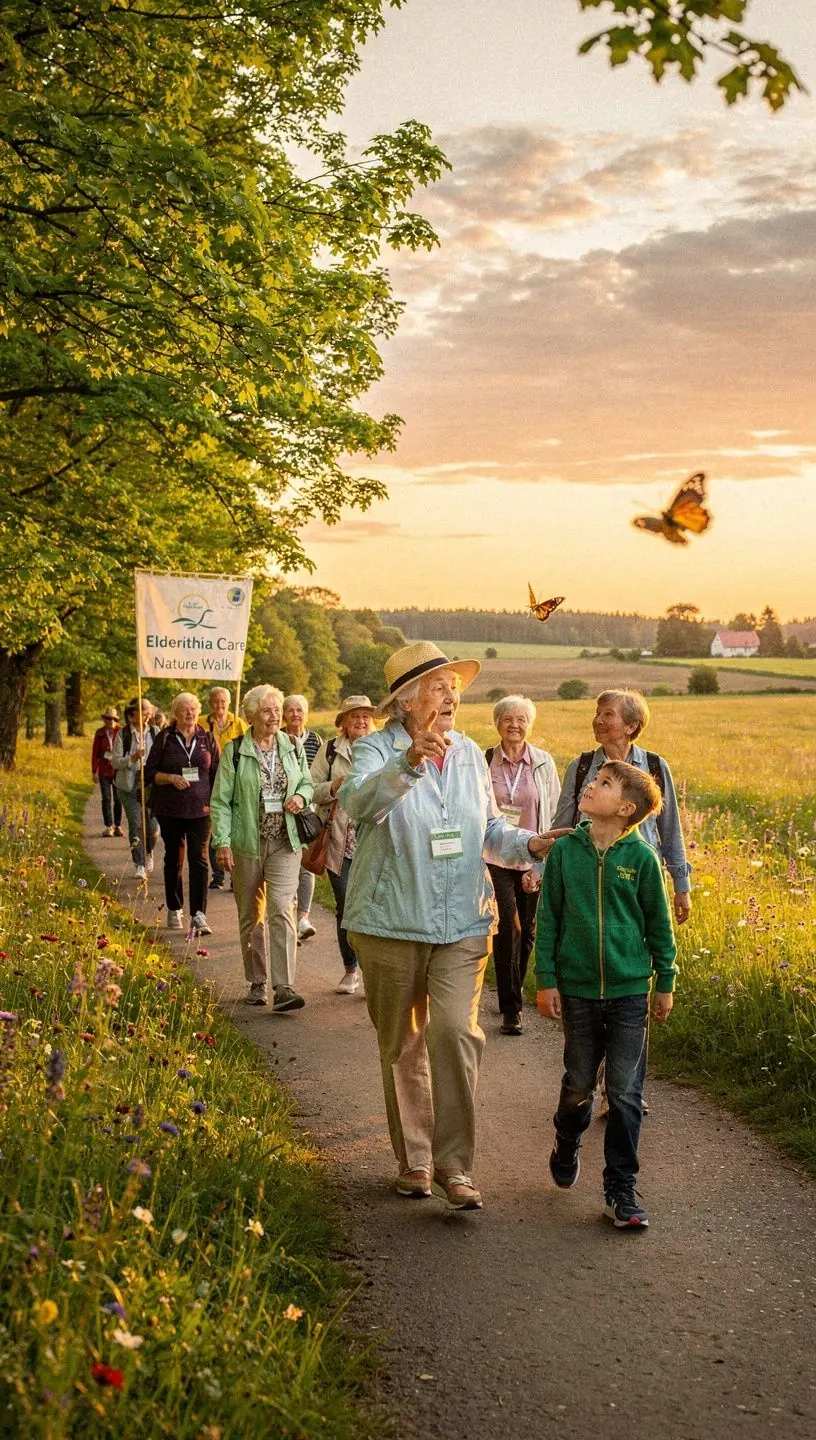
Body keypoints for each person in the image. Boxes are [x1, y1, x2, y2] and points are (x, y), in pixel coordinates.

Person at [339, 642, 566, 1211]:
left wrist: (529, 844)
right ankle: (415, 1161)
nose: (452, 696)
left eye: (454, 687)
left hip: (464, 919)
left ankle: (455, 1166)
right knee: (403, 1044)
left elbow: (490, 827)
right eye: (440, 686)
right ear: (407, 701)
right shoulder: (373, 749)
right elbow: (361, 804)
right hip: (391, 921)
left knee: (455, 1034)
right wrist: (408, 764)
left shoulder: (467, 753)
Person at [536, 761, 677, 1229]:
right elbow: (549, 919)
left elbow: (659, 922)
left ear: (626, 808)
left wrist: (665, 981)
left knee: (624, 1093)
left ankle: (621, 1187)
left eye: (604, 784)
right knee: (578, 1083)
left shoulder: (640, 859)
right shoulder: (565, 853)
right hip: (576, 989)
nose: (591, 786)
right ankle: (567, 1138)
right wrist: (546, 978)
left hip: (630, 991)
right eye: (594, 780)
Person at [210, 684, 314, 1013]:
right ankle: (257, 980)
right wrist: (222, 842)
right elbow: (221, 801)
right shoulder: (236, 750)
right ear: (252, 715)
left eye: (277, 710)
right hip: (247, 843)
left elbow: (308, 783)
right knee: (250, 915)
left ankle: (284, 986)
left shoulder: (292, 746)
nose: (275, 716)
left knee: (281, 908)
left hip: (285, 840)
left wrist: (300, 797)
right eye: (268, 711)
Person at [552, 689, 691, 924]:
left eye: (608, 714)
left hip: (641, 876)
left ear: (631, 726)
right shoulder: (581, 767)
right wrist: (549, 880)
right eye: (597, 713)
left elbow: (670, 830)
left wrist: (682, 887)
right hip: (587, 875)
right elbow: (562, 828)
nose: (598, 720)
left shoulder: (654, 766)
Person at [484, 695, 560, 1036]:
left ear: (529, 724)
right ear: (497, 723)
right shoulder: (485, 761)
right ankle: (511, 1009)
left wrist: (540, 866)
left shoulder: (542, 763)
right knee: (507, 928)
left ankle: (508, 991)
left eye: (521, 720)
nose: (514, 725)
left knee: (527, 930)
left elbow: (555, 812)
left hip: (533, 857)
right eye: (507, 719)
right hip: (494, 858)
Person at [310, 695, 377, 994]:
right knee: (346, 906)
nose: (361, 721)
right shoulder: (329, 751)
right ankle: (351, 970)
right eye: (354, 716)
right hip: (339, 840)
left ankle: (373, 972)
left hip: (374, 841)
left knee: (374, 908)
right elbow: (311, 789)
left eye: (365, 715)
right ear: (343, 723)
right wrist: (333, 787)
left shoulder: (383, 748)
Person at [144, 693, 219, 934]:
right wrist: (170, 778)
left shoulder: (206, 737)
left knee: (199, 859)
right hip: (171, 809)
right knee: (174, 858)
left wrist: (219, 803)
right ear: (175, 713)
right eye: (185, 709)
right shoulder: (165, 738)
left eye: (194, 709)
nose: (190, 713)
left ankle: (199, 914)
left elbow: (217, 773)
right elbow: (149, 773)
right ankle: (174, 907)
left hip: (201, 809)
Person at [282, 695, 323, 941]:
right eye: (291, 710)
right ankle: (288, 915)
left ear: (306, 715)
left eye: (300, 710)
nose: (296, 714)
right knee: (288, 862)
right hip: (283, 809)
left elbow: (317, 776)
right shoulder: (278, 738)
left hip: (308, 809)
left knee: (305, 864)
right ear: (284, 714)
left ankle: (303, 918)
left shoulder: (315, 741)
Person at [111, 698, 160, 879]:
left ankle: (148, 851)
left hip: (149, 785)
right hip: (128, 786)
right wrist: (132, 758)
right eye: (144, 711)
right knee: (136, 824)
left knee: (153, 828)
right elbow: (115, 762)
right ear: (132, 716)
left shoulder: (155, 732)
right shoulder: (123, 734)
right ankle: (139, 863)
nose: (148, 715)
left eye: (149, 711)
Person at [204, 686, 247, 890]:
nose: (219, 705)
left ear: (229, 703)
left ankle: (235, 877)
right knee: (216, 828)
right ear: (210, 703)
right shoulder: (202, 723)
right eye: (215, 701)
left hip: (235, 780)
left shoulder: (238, 723)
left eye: (223, 701)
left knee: (236, 828)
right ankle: (218, 874)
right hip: (211, 781)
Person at [91, 708, 123, 837]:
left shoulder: (120, 731)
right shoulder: (100, 733)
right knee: (106, 799)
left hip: (117, 771)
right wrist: (94, 771)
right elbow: (95, 754)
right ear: (104, 719)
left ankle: (118, 826)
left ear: (116, 720)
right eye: (108, 719)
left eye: (113, 719)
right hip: (104, 771)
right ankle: (109, 826)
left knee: (118, 798)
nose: (110, 721)